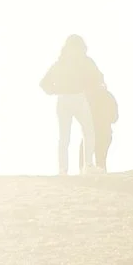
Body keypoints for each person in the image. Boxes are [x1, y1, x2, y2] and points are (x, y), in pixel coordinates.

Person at [39, 35, 105, 175]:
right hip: (71, 99)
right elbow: (44, 84)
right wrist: (57, 90)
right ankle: (74, 168)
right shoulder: (70, 63)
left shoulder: (65, 63)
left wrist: (90, 87)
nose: (76, 51)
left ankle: (79, 167)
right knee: (73, 134)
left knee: (79, 133)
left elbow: (99, 77)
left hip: (73, 98)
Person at [90, 81, 120, 173]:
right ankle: (101, 172)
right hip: (104, 131)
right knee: (101, 157)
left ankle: (85, 172)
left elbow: (115, 117)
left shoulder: (91, 96)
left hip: (94, 130)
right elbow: (115, 117)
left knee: (90, 155)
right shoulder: (109, 97)